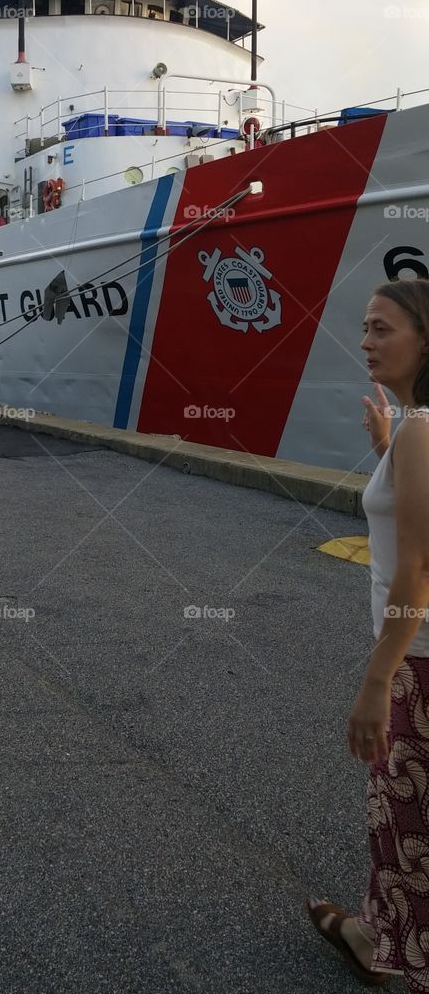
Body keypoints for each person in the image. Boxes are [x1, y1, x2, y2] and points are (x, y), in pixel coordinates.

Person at [306, 279, 429, 989]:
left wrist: (377, 680)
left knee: (405, 832)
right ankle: (372, 938)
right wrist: (388, 448)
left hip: (415, 659)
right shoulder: (412, 430)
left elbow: (414, 570)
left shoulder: (421, 431)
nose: (364, 342)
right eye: (364, 328)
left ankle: (395, 957)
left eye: (381, 329)